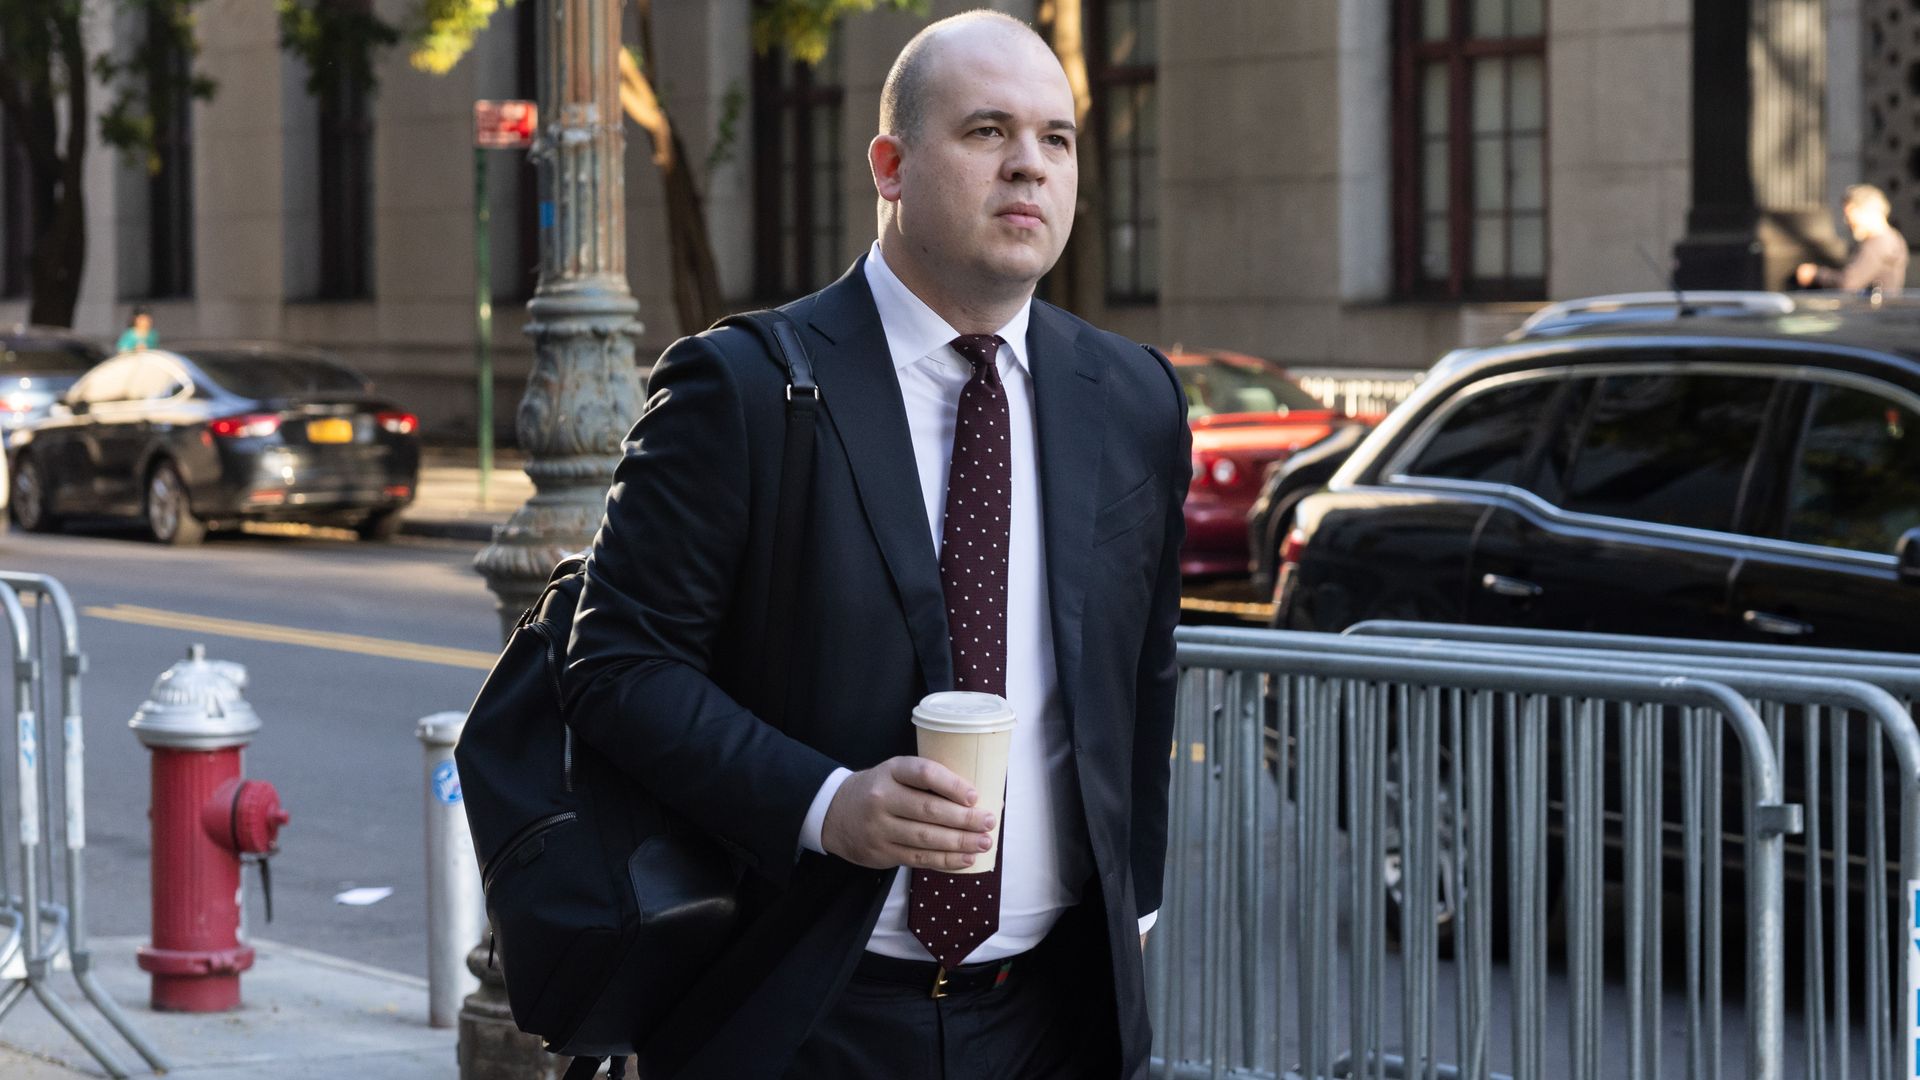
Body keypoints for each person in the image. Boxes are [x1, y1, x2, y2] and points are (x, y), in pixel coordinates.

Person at [565, 11, 1187, 1080]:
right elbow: (618, 667)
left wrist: (1137, 907)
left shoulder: (1133, 396)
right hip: (801, 1013)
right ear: (889, 167)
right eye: (988, 132)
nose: (1030, 167)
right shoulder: (745, 387)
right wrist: (828, 806)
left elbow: (1145, 673)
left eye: (1057, 139)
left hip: (1052, 1018)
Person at [1796, 184, 1909, 297]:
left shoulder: (1878, 244)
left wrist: (1816, 274)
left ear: (1867, 211)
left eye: (1850, 215)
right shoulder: (1893, 237)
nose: (1847, 221)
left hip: (1872, 311)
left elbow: (1849, 283)